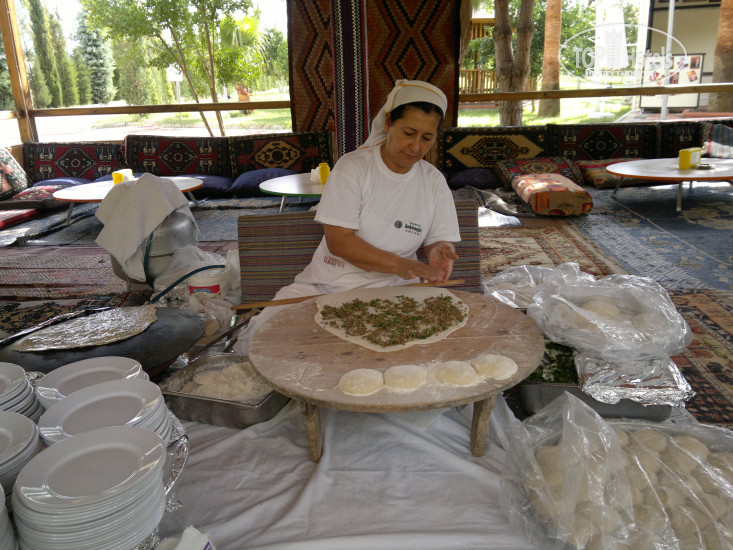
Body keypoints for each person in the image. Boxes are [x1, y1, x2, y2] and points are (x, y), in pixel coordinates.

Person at [235, 79, 461, 353]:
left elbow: (439, 239)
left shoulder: (433, 181)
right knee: (264, 339)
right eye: (409, 133)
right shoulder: (353, 168)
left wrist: (439, 250)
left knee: (431, 347)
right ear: (388, 123)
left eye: (426, 138)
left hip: (397, 288)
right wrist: (402, 265)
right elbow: (340, 242)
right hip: (328, 286)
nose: (415, 146)